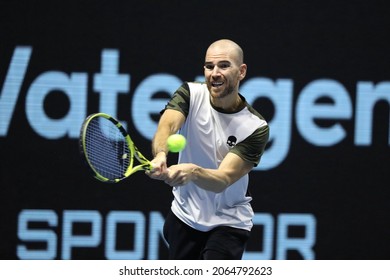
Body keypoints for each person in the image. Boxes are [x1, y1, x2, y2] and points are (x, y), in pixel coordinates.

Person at [146, 39, 269, 260]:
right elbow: (167, 126)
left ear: (241, 71)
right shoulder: (190, 94)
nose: (214, 73)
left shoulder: (255, 127)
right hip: (184, 216)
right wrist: (161, 154)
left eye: (224, 65)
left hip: (229, 221)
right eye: (209, 66)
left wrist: (192, 172)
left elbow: (222, 180)